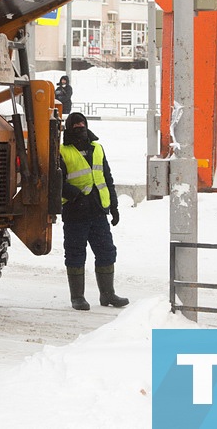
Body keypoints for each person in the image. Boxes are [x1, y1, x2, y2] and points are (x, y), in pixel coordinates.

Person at [59, 112, 128, 311]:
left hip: (98, 212)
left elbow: (107, 178)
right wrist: (76, 195)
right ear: (69, 128)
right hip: (74, 213)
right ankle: (77, 297)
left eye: (82, 123)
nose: (80, 127)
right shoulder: (62, 151)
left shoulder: (97, 148)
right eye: (76, 124)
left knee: (107, 252)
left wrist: (113, 206)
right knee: (75, 254)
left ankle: (107, 295)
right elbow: (56, 183)